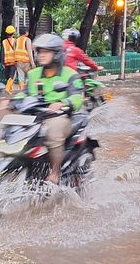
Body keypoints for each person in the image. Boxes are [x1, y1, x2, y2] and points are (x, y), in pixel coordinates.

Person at [8, 34, 85, 185]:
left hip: (61, 117)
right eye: (39, 52)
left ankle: (55, 172)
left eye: (46, 52)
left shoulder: (70, 74)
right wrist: (12, 101)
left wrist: (63, 103)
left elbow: (77, 98)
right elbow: (25, 93)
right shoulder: (33, 74)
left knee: (53, 130)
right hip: (37, 116)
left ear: (56, 54)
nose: (41, 55)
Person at [1, 25, 23, 93]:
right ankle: (8, 89)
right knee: (11, 76)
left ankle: (9, 89)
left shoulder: (4, 41)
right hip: (13, 61)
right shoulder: (15, 41)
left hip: (6, 61)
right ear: (13, 33)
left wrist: (2, 62)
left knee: (8, 76)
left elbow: (2, 52)